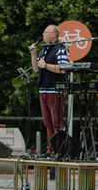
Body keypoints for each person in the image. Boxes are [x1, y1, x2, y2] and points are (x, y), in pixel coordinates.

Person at [30, 24, 70, 154]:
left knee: (56, 122)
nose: (43, 35)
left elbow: (63, 68)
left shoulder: (61, 49)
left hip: (55, 89)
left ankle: (59, 149)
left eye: (45, 32)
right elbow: (36, 69)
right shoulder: (45, 49)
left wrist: (46, 65)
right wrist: (34, 53)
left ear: (53, 34)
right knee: (48, 123)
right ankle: (50, 149)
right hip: (44, 89)